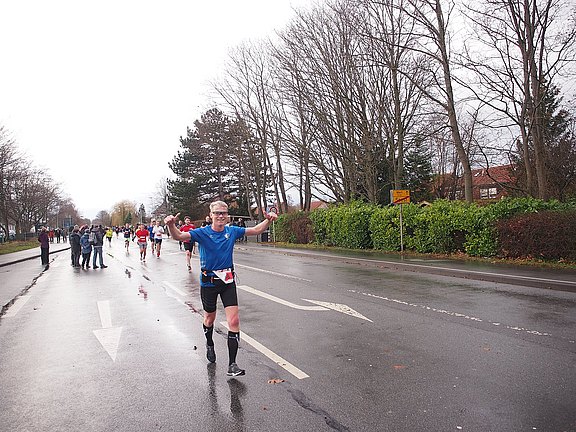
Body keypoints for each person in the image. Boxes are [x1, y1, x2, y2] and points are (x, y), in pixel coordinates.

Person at [164, 200, 278, 377]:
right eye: (217, 213)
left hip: (227, 281)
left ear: (227, 216)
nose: (221, 216)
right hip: (208, 282)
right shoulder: (202, 233)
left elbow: (255, 230)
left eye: (224, 213)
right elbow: (178, 236)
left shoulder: (231, 231)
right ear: (211, 215)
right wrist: (171, 225)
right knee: (209, 318)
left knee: (233, 321)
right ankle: (209, 343)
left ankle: (232, 364)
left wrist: (269, 220)